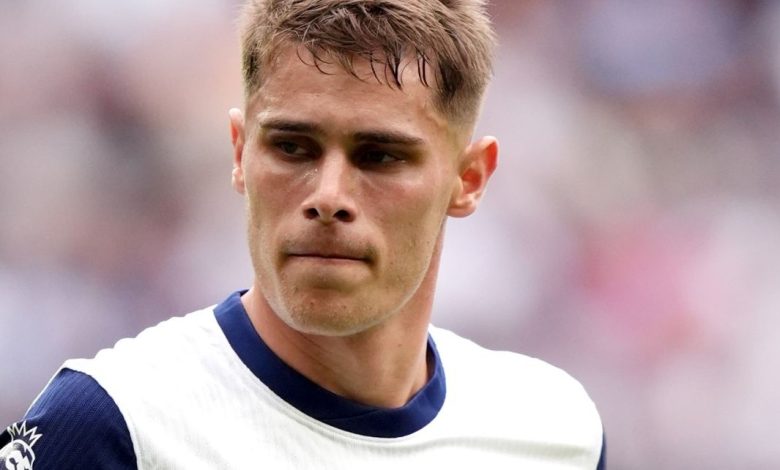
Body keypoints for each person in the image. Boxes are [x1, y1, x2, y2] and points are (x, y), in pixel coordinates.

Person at [0, 0, 605, 468]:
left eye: (379, 156)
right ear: (240, 153)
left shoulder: (554, 430)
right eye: (292, 147)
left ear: (468, 179)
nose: (329, 196)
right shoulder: (113, 425)